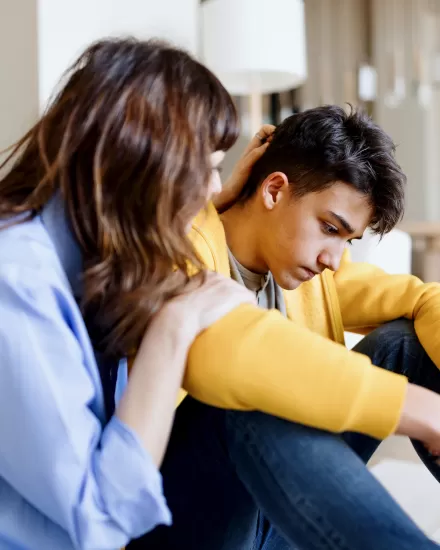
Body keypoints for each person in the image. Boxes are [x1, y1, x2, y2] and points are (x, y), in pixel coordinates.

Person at [0, 38, 267, 549]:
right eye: (205, 167)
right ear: (143, 164)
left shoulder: (95, 253)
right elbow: (100, 524)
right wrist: (173, 329)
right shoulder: (17, 279)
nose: (214, 189)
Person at [131, 106, 440, 549]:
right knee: (245, 393)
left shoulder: (309, 272)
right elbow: (237, 355)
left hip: (276, 517)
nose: (333, 257)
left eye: (346, 239)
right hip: (186, 525)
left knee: (403, 343)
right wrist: (417, 411)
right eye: (329, 228)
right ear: (274, 189)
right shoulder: (180, 257)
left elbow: (423, 299)